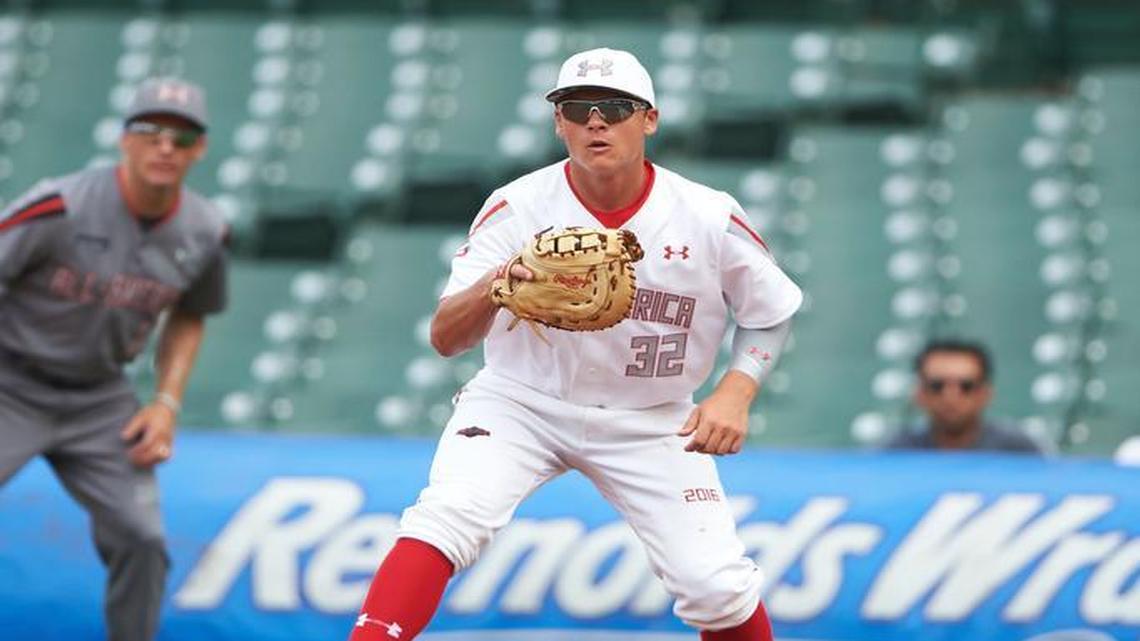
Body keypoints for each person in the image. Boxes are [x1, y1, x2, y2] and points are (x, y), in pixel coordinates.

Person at [349, 48, 802, 641]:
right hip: (522, 400)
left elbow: (772, 311)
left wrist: (736, 392)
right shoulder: (517, 207)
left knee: (715, 584)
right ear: (558, 122)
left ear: (650, 119)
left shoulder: (707, 215)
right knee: (449, 515)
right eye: (578, 106)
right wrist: (496, 285)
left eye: (615, 107)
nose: (596, 121)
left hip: (652, 415)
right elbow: (445, 337)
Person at [0, 77, 227, 641]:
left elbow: (190, 315)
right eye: (150, 131)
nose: (165, 146)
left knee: (143, 539)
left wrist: (167, 403)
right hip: (10, 383)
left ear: (200, 148)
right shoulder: (59, 205)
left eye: (182, 135)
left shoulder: (205, 229)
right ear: (125, 138)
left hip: (99, 398)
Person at [886, 339, 1049, 453]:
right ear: (919, 394)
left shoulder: (1017, 451)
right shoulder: (896, 452)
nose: (951, 397)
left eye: (966, 386)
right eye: (937, 386)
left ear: (986, 394)